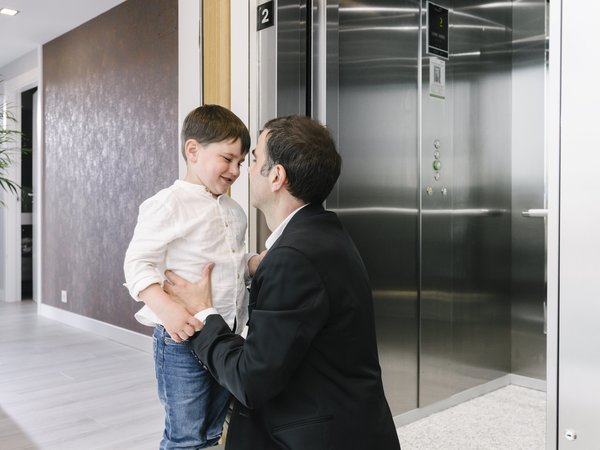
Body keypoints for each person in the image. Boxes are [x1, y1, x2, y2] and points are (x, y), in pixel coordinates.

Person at [164, 115, 401, 450]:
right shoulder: (323, 233)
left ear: (276, 176)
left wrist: (205, 313)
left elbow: (250, 381)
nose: (243, 170)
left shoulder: (294, 258)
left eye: (253, 160)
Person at [123, 105, 263, 449]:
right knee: (186, 435)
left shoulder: (234, 211)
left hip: (224, 335)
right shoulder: (168, 204)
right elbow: (137, 263)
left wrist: (255, 263)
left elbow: (229, 263)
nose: (235, 170)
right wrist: (167, 309)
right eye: (227, 159)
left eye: (241, 163)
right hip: (181, 342)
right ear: (193, 150)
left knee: (215, 429)